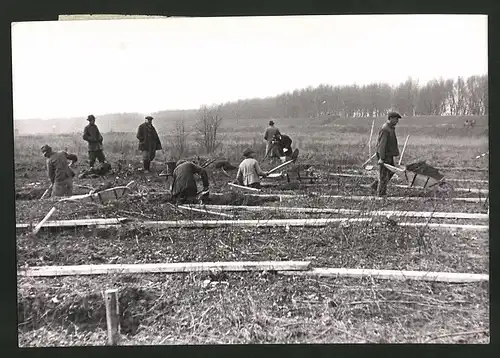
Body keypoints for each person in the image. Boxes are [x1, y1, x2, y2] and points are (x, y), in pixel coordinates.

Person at [369, 111, 402, 196]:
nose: (397, 121)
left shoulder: (390, 128)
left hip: (389, 155)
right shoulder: (385, 129)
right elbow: (382, 145)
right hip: (385, 156)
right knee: (384, 174)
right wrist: (381, 158)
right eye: (396, 119)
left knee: (392, 171)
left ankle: (375, 185)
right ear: (390, 118)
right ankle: (381, 194)